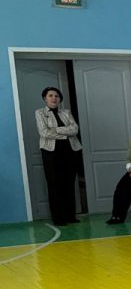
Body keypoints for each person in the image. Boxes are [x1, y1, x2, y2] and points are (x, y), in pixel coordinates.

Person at [34, 86, 82, 225]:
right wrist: (65, 134)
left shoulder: (66, 112)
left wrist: (56, 130)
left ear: (60, 99)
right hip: (51, 152)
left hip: (70, 151)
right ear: (45, 98)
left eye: (56, 96)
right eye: (50, 95)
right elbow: (44, 132)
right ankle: (58, 218)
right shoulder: (40, 113)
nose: (54, 98)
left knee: (69, 184)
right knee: (54, 184)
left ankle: (70, 216)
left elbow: (75, 129)